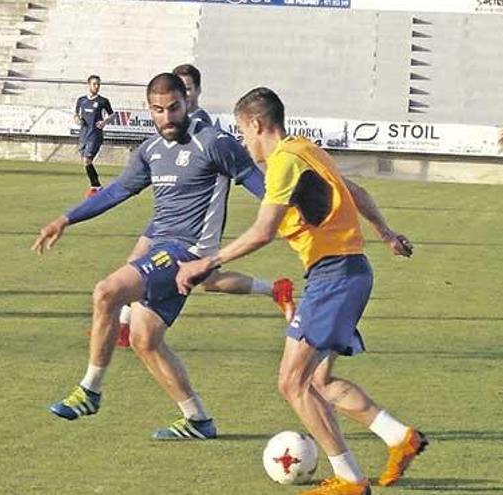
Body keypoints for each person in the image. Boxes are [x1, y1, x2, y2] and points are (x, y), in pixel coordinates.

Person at [176, 88, 427, 494]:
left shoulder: (284, 161)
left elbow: (262, 231)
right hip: (348, 273)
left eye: (242, 132)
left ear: (257, 124)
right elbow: (356, 192)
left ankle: (350, 480)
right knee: (318, 383)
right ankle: (401, 438)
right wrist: (385, 231)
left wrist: (207, 262)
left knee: (291, 383)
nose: (243, 142)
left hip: (335, 278)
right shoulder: (306, 149)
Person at [32, 73, 267, 439]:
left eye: (174, 107)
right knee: (145, 340)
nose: (168, 116)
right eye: (159, 110)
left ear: (186, 103)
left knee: (106, 291)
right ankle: (197, 420)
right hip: (162, 250)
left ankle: (90, 390)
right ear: (149, 109)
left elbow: (263, 188)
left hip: (189, 252)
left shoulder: (214, 143)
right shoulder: (150, 150)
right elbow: (117, 191)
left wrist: (297, 216)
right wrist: (66, 218)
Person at [114, 63, 294, 348]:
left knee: (137, 266)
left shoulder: (203, 129)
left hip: (191, 221)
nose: (178, 97)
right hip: (169, 213)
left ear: (194, 93)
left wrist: (282, 210)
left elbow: (231, 173)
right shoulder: (171, 123)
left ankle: (124, 327)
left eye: (186, 89)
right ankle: (274, 289)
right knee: (209, 280)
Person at [74, 75, 114, 197]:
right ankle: (97, 186)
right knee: (85, 161)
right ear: (89, 85)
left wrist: (104, 122)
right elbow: (76, 115)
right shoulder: (81, 100)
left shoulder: (103, 101)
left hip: (95, 135)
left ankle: (95, 186)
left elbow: (112, 115)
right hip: (83, 135)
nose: (96, 86)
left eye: (98, 84)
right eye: (94, 84)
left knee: (87, 160)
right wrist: (77, 119)